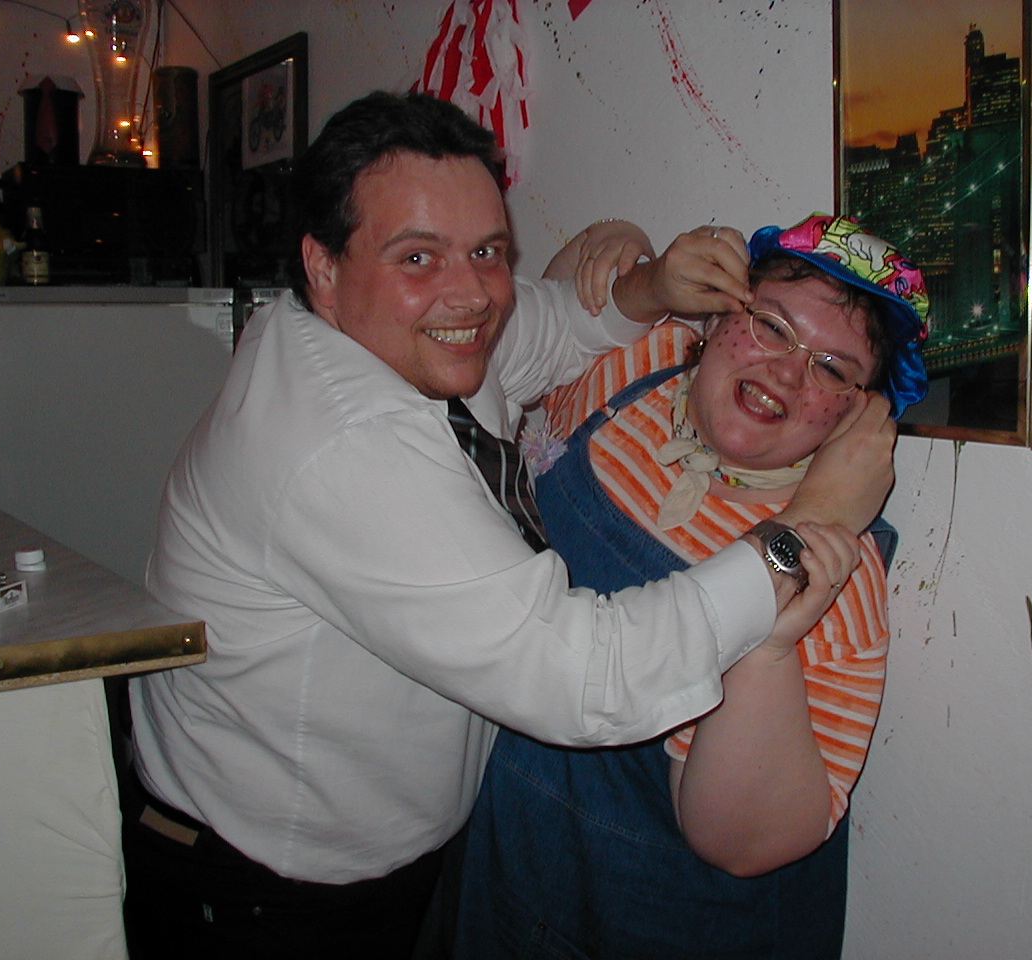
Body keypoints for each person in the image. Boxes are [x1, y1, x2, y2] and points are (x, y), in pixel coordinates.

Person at [120, 90, 896, 960]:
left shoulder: (404, 336)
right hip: (265, 888)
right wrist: (807, 527)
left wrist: (645, 286)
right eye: (418, 256)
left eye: (487, 251)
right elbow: (581, 674)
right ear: (323, 267)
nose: (472, 296)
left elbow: (543, 327)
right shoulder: (341, 449)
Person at [449, 214, 930, 959]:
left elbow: (738, 842)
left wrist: (769, 640)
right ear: (715, 316)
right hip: (508, 871)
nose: (787, 374)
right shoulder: (628, 373)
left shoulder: (834, 572)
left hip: (669, 924)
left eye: (833, 370)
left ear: (858, 417)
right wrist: (621, 246)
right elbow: (526, 322)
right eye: (770, 326)